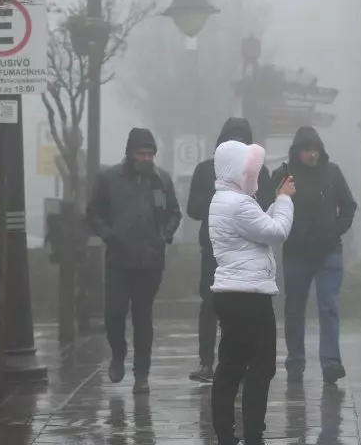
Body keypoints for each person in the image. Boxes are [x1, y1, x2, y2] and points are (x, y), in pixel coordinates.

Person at [209, 140, 296, 445]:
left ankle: (225, 434)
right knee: (261, 366)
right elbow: (276, 232)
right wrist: (285, 200)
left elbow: (260, 227)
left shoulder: (224, 200)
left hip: (231, 293)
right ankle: (252, 435)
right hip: (250, 296)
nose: (255, 177)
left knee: (231, 365)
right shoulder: (239, 204)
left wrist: (274, 200)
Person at [87, 128, 182, 394]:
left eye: (150, 154)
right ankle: (118, 353)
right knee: (115, 313)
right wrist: (109, 235)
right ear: (130, 153)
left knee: (143, 318)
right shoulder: (108, 179)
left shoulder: (161, 179)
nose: (146, 158)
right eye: (141, 153)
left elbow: (175, 212)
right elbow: (93, 213)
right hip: (119, 258)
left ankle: (142, 374)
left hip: (150, 260)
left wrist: (166, 234)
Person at [186, 118, 276, 383]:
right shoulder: (205, 171)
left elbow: (267, 207)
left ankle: (245, 360)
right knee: (210, 304)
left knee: (249, 306)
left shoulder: (262, 173)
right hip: (215, 249)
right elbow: (193, 208)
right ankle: (206, 362)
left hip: (250, 250)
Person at [278, 126, 358, 385]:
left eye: (315, 150)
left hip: (328, 251)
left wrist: (336, 229)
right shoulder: (285, 175)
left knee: (329, 306)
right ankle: (295, 360)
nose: (311, 155)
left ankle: (331, 362)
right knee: (294, 308)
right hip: (296, 253)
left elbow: (348, 205)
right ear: (297, 152)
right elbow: (272, 206)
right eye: (306, 150)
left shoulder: (332, 173)